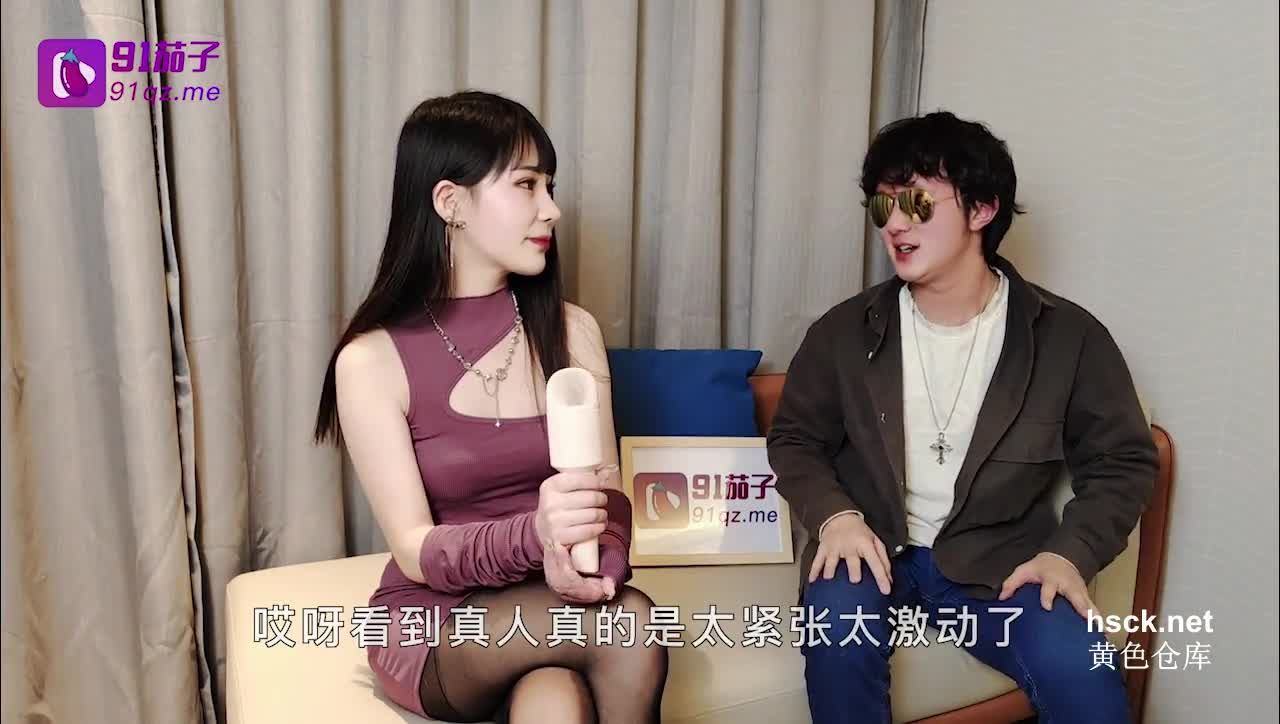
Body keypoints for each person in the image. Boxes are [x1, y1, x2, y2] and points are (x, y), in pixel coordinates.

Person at [766, 111, 1158, 724]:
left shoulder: (1069, 338)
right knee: (837, 633)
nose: (894, 223)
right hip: (871, 545)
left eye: (916, 203)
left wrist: (1070, 553)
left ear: (982, 209)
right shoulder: (842, 332)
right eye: (883, 206)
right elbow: (795, 438)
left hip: (999, 559)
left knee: (1083, 670)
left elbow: (1124, 461)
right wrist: (835, 517)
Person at [314, 91, 667, 724]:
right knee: (629, 625)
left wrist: (598, 573)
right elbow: (414, 549)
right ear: (450, 202)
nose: (552, 209)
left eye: (550, 186)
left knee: (554, 700)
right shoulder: (370, 361)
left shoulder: (573, 331)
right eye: (526, 184)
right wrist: (538, 535)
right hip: (436, 622)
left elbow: (607, 498)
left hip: (550, 604)